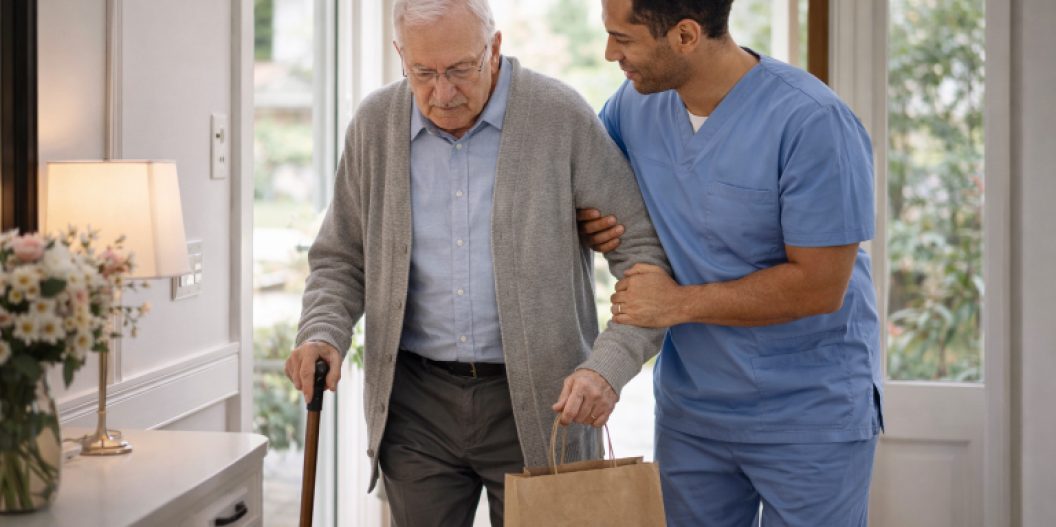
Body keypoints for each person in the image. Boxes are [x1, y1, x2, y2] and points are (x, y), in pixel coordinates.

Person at [283, 0, 669, 524]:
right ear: (400, 55)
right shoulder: (376, 125)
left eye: (461, 69)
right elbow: (340, 257)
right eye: (423, 72)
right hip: (415, 406)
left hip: (542, 404)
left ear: (495, 48)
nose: (442, 93)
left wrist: (607, 369)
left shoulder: (559, 116)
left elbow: (643, 256)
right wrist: (323, 329)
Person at [578, 0, 883, 525]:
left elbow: (820, 286)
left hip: (809, 413)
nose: (611, 55)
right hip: (693, 411)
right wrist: (590, 221)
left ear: (686, 35)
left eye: (624, 39)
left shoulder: (813, 122)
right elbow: (593, 187)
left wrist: (675, 303)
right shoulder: (634, 108)